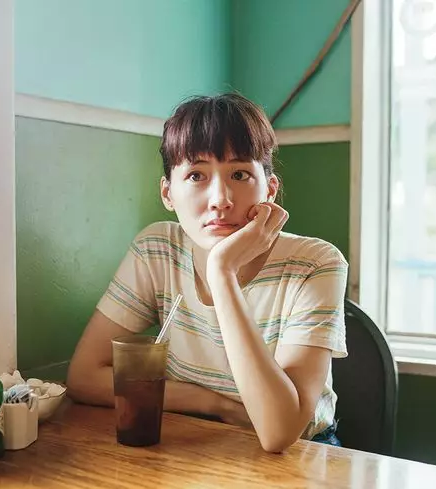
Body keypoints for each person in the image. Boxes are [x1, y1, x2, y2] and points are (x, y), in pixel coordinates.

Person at [67, 93, 348, 452]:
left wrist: (222, 272)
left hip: (302, 454)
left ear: (270, 190)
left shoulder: (316, 263)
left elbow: (280, 432)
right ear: (168, 193)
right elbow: (84, 376)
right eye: (196, 175)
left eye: (240, 174)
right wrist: (214, 404)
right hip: (197, 437)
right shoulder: (157, 250)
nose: (220, 199)